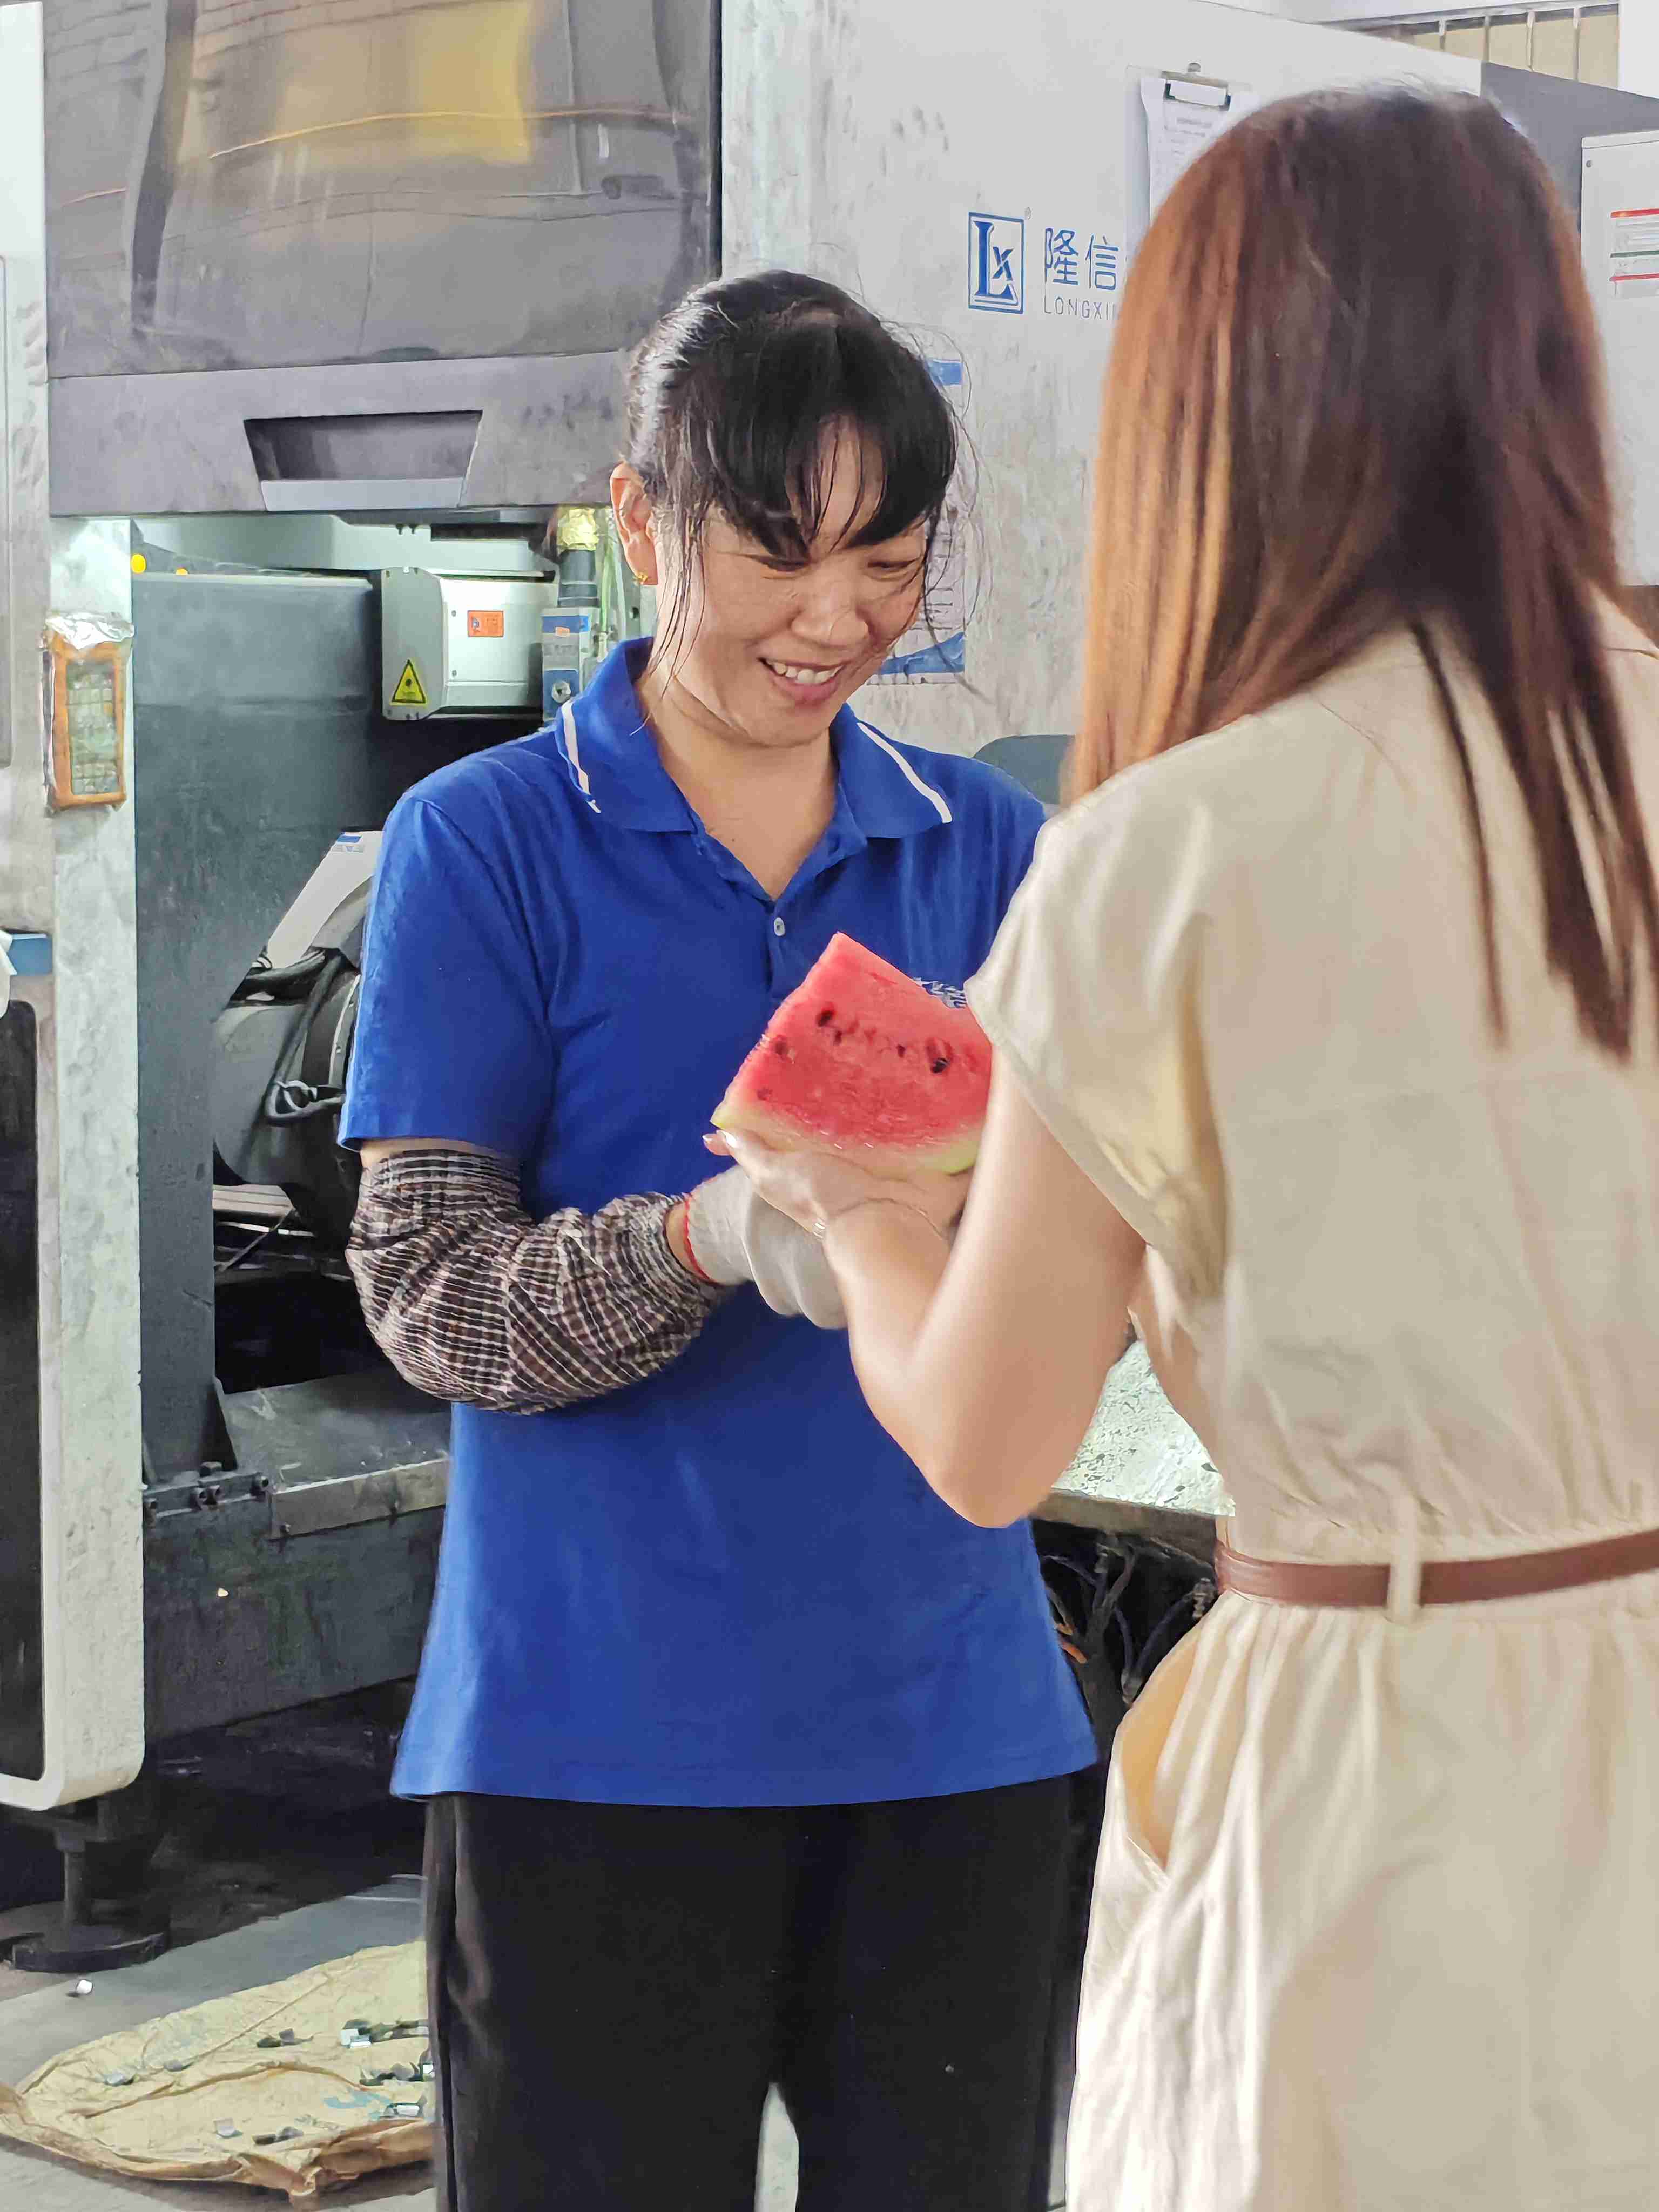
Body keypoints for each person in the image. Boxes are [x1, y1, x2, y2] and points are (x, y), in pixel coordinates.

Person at [718, 92, 1659, 2211]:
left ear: (1203, 416)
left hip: (1378, 1773)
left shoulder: (1166, 852)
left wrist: (858, 1211)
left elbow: (989, 1441)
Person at [339, 269, 1096, 2212]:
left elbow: (1073, 1274)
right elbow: (431, 1298)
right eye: (779, 551)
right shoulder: (486, 842)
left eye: (890, 564)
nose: (837, 618)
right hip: (591, 1745)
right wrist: (706, 1239)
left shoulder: (992, 851)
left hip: (955, 1741)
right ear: (643, 519)